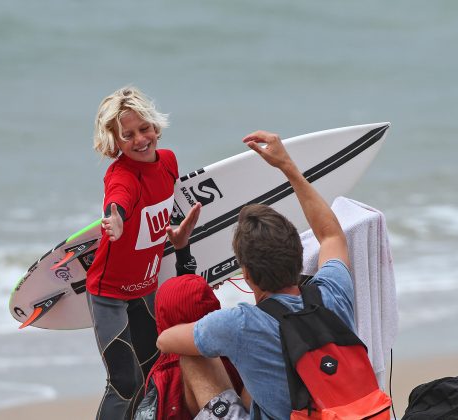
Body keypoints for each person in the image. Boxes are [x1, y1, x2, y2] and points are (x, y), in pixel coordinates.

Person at [156, 130, 355, 419]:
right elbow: (330, 235)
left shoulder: (240, 324)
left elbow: (166, 340)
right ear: (299, 255)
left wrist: (212, 332)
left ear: (246, 275)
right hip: (348, 412)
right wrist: (288, 167)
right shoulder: (333, 292)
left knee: (193, 352)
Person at [86, 86, 180, 419]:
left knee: (150, 373)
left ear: (156, 126)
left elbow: (165, 207)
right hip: (108, 294)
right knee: (124, 382)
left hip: (146, 289)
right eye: (128, 135)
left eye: (145, 128)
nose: (140, 139)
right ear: (116, 144)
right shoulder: (122, 175)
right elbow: (119, 199)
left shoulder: (168, 162)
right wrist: (116, 218)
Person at [134, 203, 244, 420]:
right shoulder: (236, 358)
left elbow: (181, 309)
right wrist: (182, 252)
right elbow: (190, 308)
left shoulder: (169, 373)